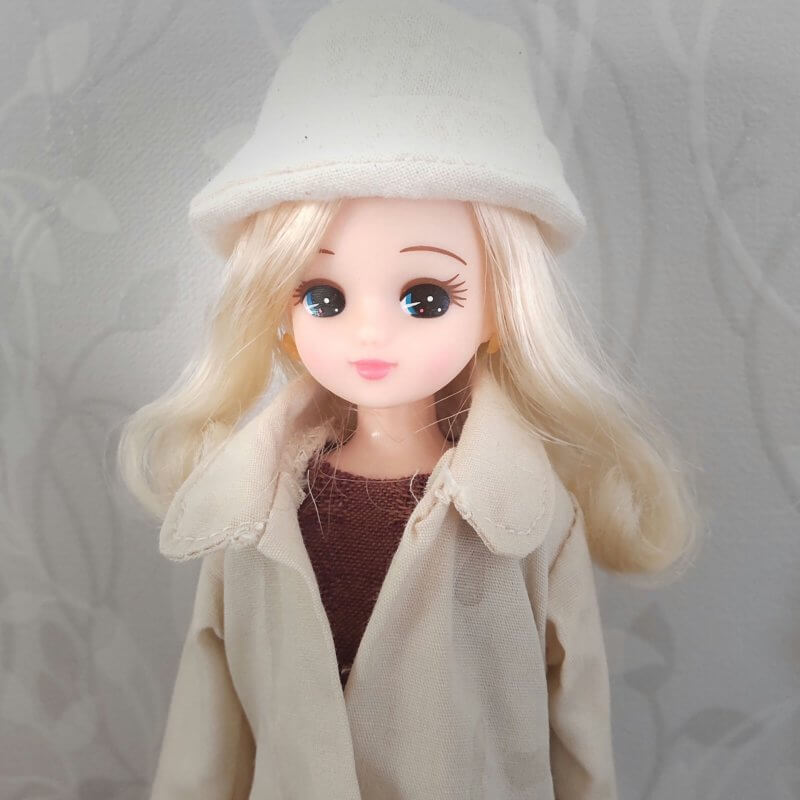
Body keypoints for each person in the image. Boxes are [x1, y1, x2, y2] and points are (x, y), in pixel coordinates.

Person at [117, 1, 701, 798]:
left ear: (499, 310)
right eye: (323, 296)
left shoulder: (531, 518)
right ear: (279, 306)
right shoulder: (245, 510)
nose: (369, 334)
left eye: (426, 297)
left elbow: (577, 725)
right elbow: (206, 729)